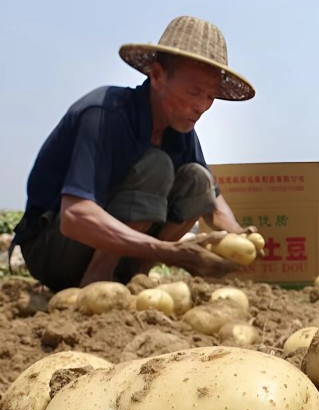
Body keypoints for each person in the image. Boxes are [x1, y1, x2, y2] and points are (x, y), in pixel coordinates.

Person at [12, 16, 257, 291]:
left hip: (123, 250)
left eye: (210, 96)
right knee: (157, 166)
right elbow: (75, 217)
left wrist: (240, 234)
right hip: (53, 249)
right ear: (156, 75)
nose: (202, 106)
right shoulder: (104, 114)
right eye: (194, 91)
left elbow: (213, 200)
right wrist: (168, 252)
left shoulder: (182, 131)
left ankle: (135, 279)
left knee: (197, 179)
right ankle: (97, 282)